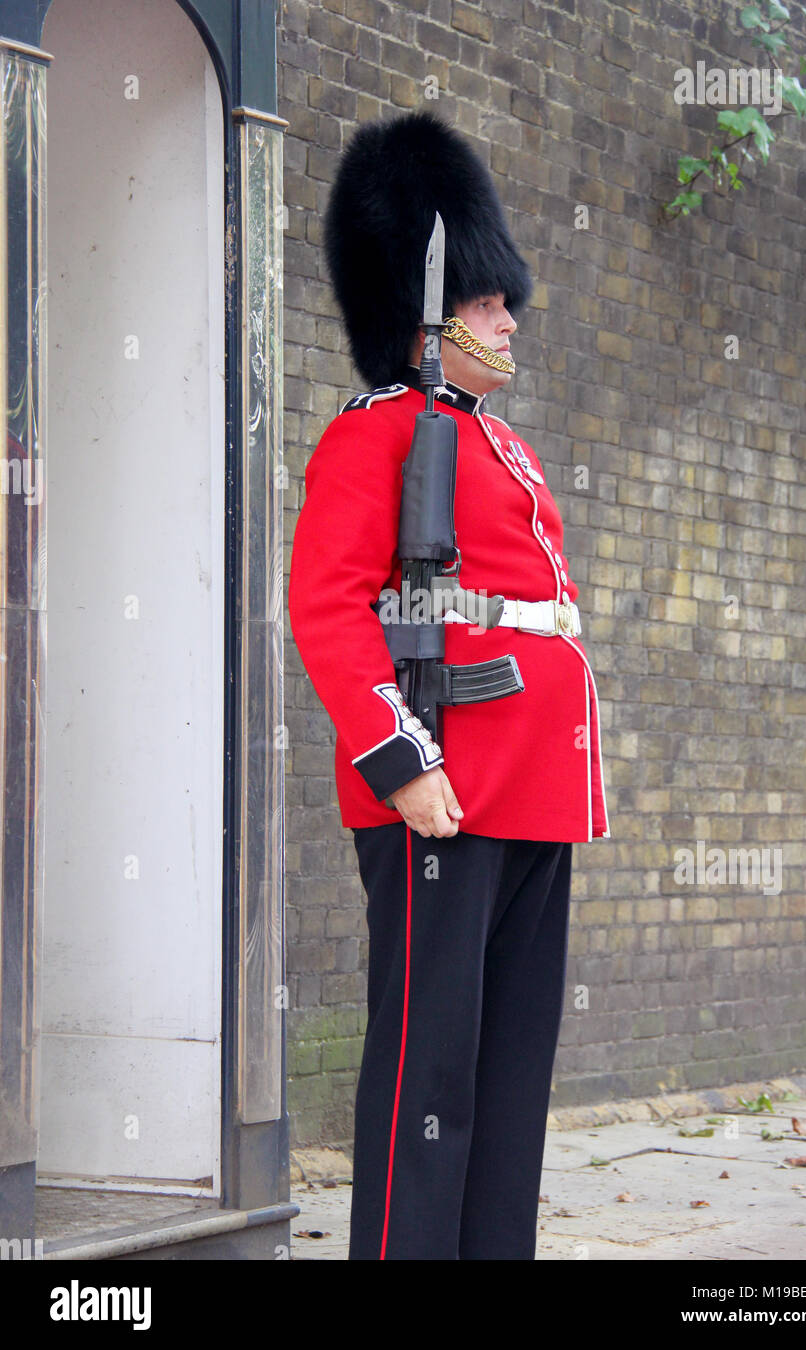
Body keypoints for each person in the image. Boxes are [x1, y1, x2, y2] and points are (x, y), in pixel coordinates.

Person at [288, 111, 610, 1260]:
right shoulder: (375, 436)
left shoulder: (500, 444)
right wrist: (400, 763)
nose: (506, 316)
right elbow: (328, 606)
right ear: (428, 319)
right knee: (429, 1072)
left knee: (509, 1080)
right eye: (484, 302)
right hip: (445, 784)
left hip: (528, 794)